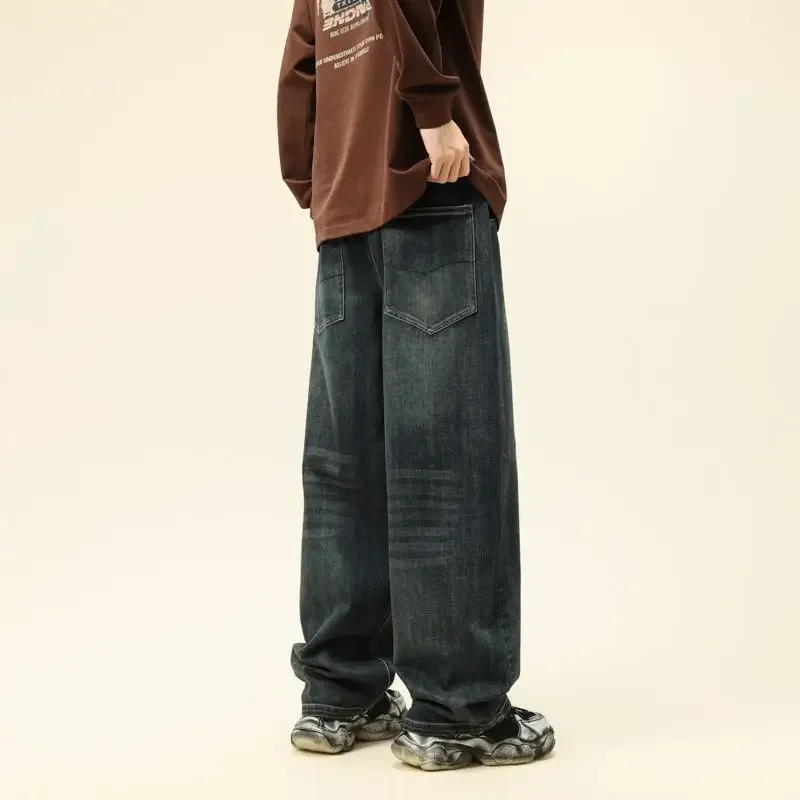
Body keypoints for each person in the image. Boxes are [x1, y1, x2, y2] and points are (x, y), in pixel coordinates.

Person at [277, 0, 555, 771]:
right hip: (429, 184)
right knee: (448, 459)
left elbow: (302, 65)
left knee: (346, 465)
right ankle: (456, 709)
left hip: (345, 203)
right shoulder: (431, 131)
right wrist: (434, 115)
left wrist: (315, 180)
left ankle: (339, 693)